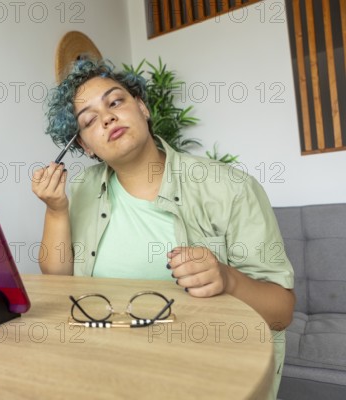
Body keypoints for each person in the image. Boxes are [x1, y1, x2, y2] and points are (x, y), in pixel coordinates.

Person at [31, 59, 294, 399]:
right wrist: (56, 210)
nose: (107, 118)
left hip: (209, 374)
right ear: (85, 146)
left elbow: (281, 313)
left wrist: (228, 279)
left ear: (142, 108)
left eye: (115, 102)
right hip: (106, 372)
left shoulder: (229, 187)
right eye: (89, 120)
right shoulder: (81, 189)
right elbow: (56, 281)